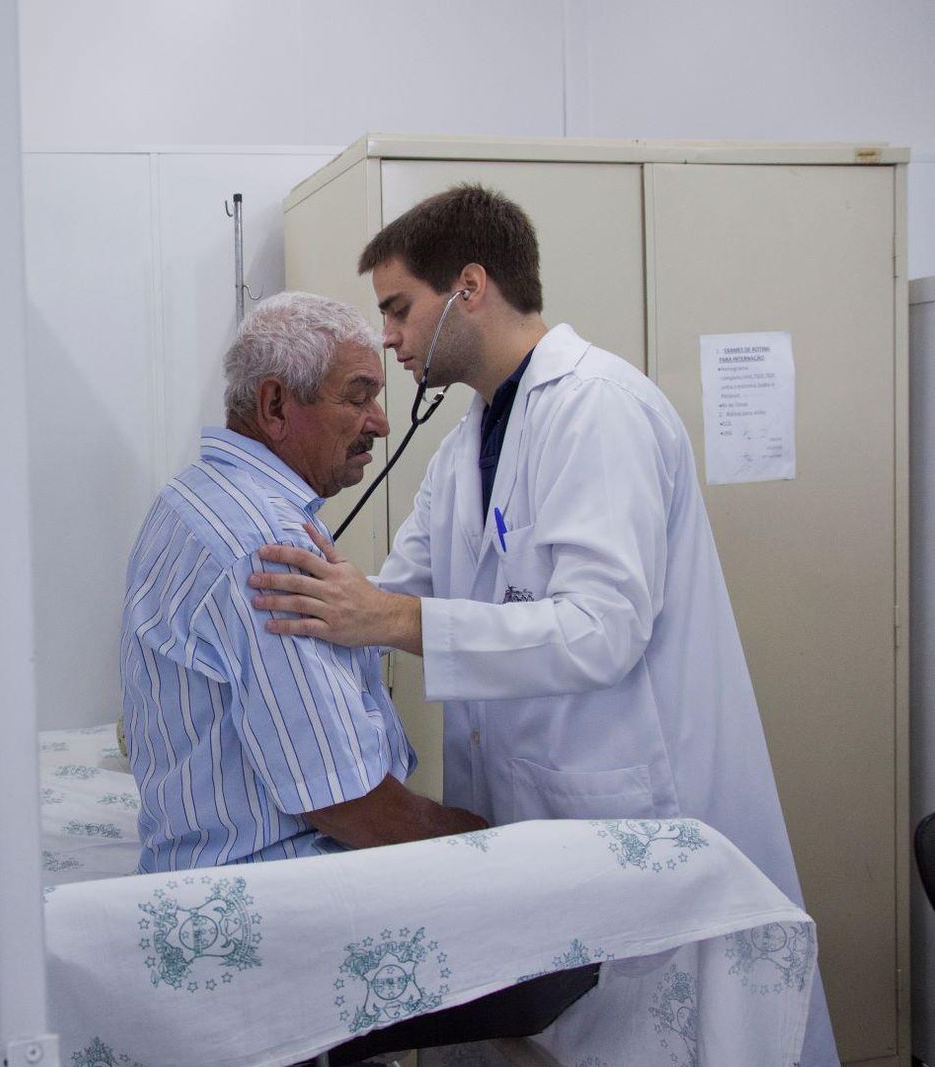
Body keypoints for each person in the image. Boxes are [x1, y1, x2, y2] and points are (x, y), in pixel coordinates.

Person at [247, 184, 837, 1064]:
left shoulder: (600, 409)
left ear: (471, 287)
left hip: (629, 810)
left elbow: (603, 628)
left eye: (401, 310)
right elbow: (394, 589)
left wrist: (388, 616)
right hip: (540, 819)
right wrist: (297, 612)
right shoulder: (468, 440)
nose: (392, 341)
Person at [120, 292, 484, 874]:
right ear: (275, 406)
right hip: (284, 890)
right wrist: (487, 838)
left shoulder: (193, 496)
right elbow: (348, 801)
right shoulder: (266, 546)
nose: (382, 424)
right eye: (359, 396)